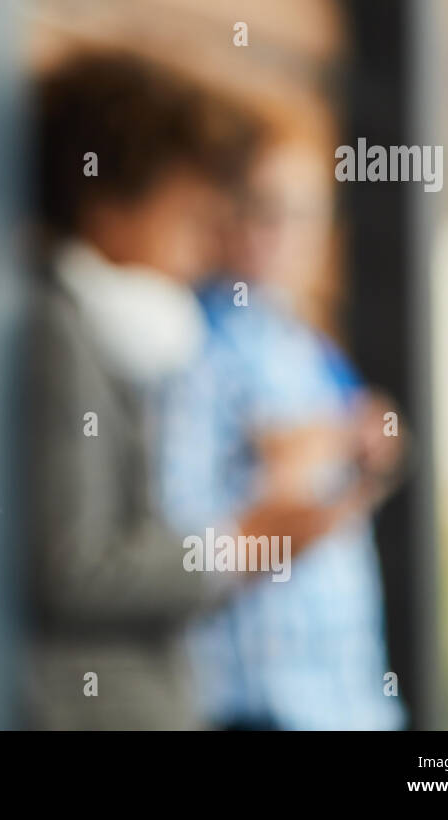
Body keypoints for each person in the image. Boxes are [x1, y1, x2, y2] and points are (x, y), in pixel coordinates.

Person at [22, 50, 358, 729]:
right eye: (190, 219)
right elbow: (76, 568)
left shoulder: (120, 331)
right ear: (112, 205)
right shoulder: (59, 335)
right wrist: (245, 541)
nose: (206, 249)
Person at [155, 132, 407, 730]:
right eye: (259, 209)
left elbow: (364, 437)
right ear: (219, 216)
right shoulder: (191, 343)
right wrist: (279, 495)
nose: (278, 233)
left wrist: (378, 443)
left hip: (345, 694)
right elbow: (179, 542)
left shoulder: (305, 346)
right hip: (258, 699)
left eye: (301, 215)